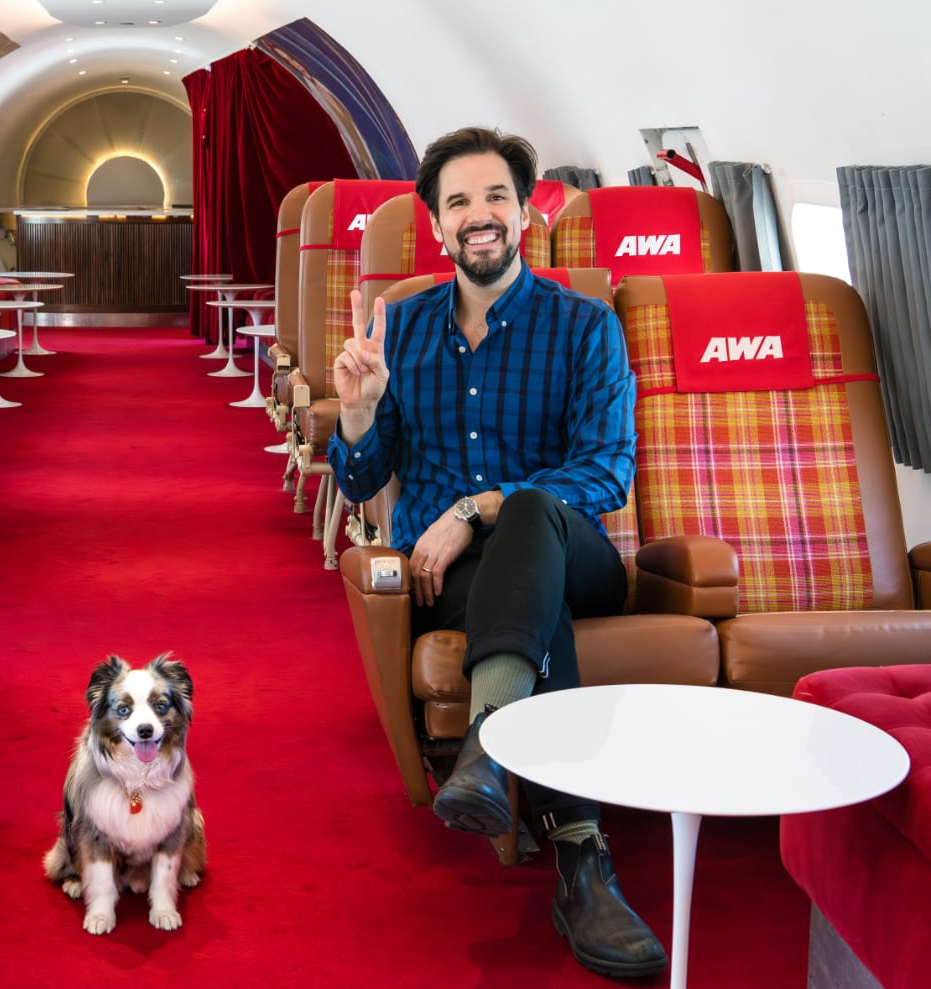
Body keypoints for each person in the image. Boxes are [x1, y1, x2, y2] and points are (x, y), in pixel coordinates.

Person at [329, 127, 666, 979]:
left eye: (495, 199)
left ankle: (488, 738)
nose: (479, 217)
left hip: (576, 556)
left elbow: (607, 471)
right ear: (435, 225)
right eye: (458, 203)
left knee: (531, 508)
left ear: (525, 213)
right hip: (457, 582)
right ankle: (583, 860)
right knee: (517, 581)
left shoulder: (586, 325)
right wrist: (362, 411)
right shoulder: (398, 330)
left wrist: (478, 507)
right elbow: (365, 475)